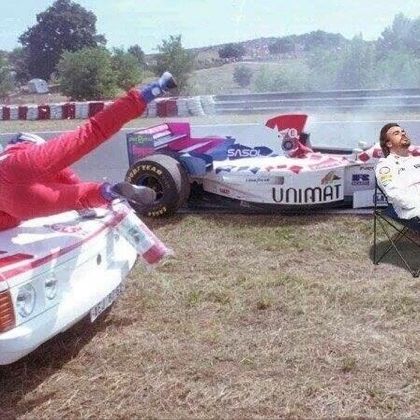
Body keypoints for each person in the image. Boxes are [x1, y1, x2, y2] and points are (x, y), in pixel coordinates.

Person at [0, 72, 177, 231]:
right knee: (92, 131)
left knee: (82, 197)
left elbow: (8, 222)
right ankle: (153, 90)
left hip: (14, 203)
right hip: (14, 166)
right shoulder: (20, 147)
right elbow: (67, 175)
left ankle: (109, 192)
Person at [376, 122, 420, 219]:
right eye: (396, 133)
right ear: (389, 143)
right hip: (411, 209)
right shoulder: (385, 165)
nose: (403, 134)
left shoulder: (417, 160)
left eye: (403, 132)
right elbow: (394, 193)